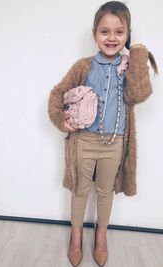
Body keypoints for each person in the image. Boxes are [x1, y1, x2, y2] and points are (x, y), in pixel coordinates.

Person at [48, 1, 158, 266]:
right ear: (95, 33)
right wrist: (61, 120)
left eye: (119, 32)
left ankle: (101, 235)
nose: (111, 38)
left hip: (114, 142)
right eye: (104, 31)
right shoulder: (83, 66)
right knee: (80, 189)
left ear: (128, 34)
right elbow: (57, 94)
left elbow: (138, 95)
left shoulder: (131, 67)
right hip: (84, 140)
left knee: (105, 191)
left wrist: (139, 56)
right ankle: (76, 236)